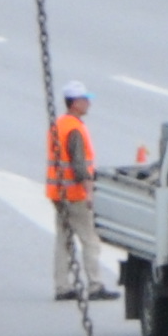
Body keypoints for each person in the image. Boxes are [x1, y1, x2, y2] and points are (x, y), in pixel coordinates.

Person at [45, 81, 110, 301]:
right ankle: (95, 284)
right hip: (73, 195)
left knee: (63, 239)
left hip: (58, 193)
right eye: (84, 100)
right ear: (75, 103)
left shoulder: (59, 124)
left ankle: (61, 286)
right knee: (90, 239)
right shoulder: (74, 129)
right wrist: (89, 193)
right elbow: (80, 165)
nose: (88, 103)